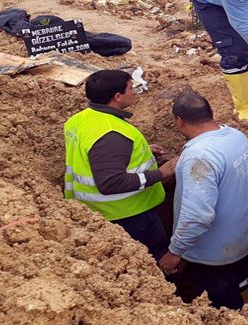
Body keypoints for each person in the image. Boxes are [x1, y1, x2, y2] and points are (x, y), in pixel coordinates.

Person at [158, 92, 248, 310]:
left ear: (179, 121)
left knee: (222, 299)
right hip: (242, 237)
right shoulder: (235, 136)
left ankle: (236, 311)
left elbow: (197, 216)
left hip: (215, 251)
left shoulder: (200, 156)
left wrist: (174, 253)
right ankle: (244, 299)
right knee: (236, 279)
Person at [64, 69, 177, 261]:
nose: (134, 92)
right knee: (151, 257)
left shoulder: (80, 120)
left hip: (94, 209)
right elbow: (110, 183)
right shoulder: (111, 134)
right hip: (128, 214)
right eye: (131, 88)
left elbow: (93, 152)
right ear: (117, 97)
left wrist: (133, 150)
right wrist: (161, 173)